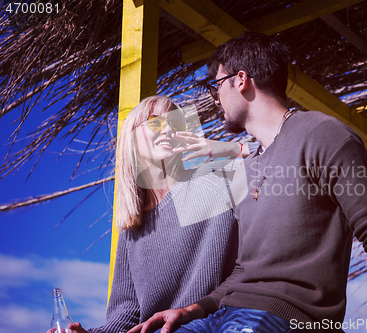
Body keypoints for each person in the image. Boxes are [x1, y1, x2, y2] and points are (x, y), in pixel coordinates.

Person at [130, 32, 367, 333]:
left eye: (218, 87)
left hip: (289, 318)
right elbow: (244, 270)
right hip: (224, 316)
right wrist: (193, 310)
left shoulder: (323, 135)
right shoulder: (248, 167)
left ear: (240, 80)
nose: (216, 100)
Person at [58, 96, 256, 333]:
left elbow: (281, 156)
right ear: (131, 137)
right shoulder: (132, 229)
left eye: (175, 122)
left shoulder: (214, 179)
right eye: (154, 122)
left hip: (221, 321)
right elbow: (127, 312)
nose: (168, 128)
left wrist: (233, 148)